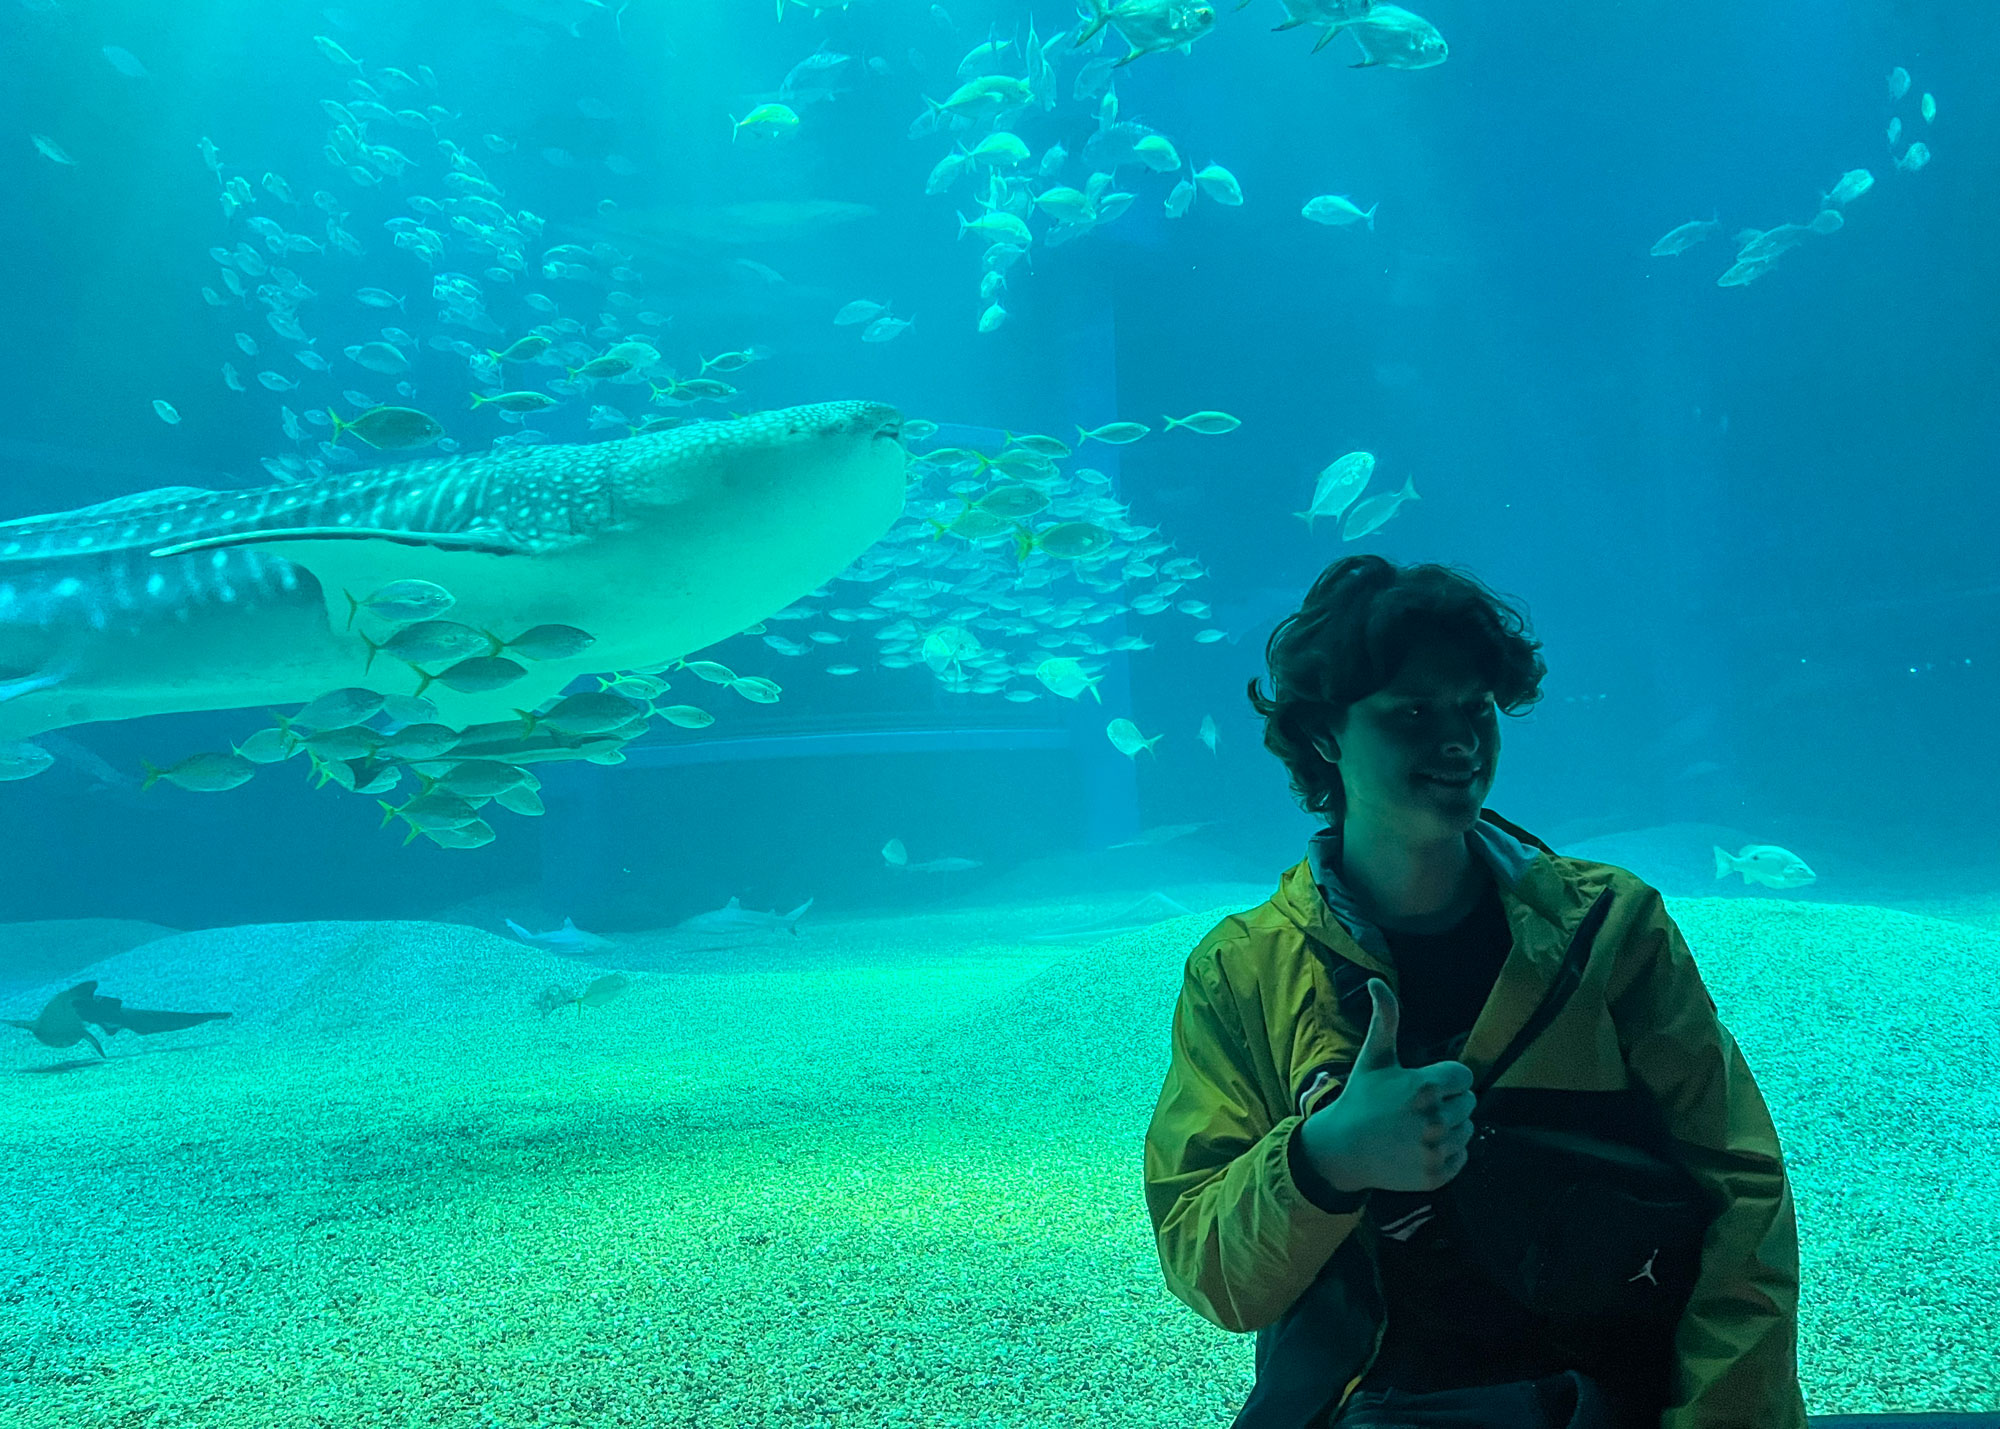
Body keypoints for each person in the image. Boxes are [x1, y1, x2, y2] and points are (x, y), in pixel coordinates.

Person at [1142, 556, 1807, 1429]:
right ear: (1325, 733)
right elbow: (1208, 1268)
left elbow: (1742, 1186)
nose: (1458, 738)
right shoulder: (1240, 970)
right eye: (1414, 711)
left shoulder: (1612, 928)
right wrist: (1324, 1158)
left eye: (1476, 706)